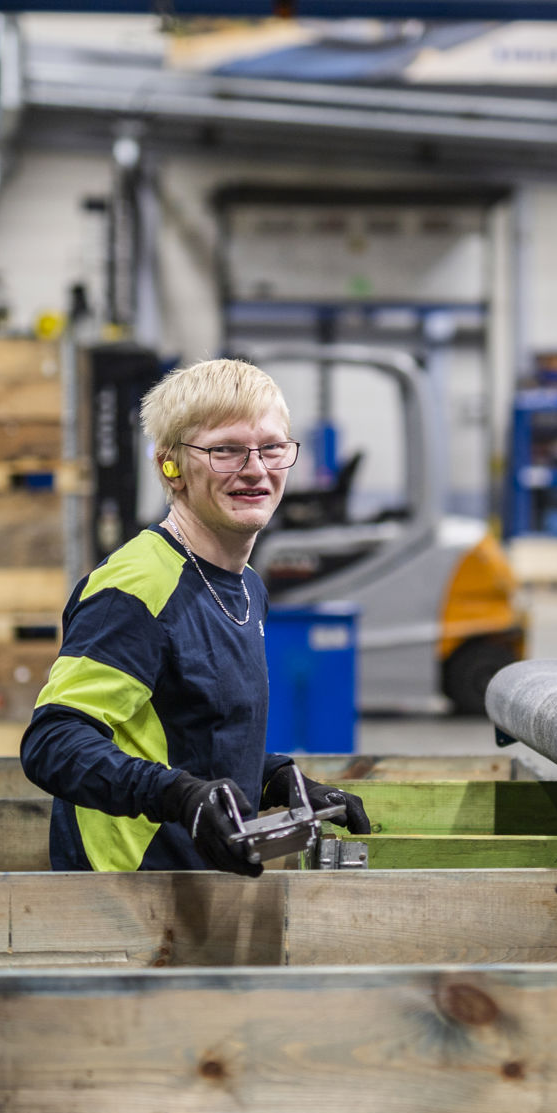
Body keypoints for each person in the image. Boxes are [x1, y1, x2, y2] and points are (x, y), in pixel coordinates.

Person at [21, 358, 371, 874]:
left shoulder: (246, 586)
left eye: (272, 447)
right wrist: (178, 797)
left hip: (199, 890)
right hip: (129, 896)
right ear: (172, 467)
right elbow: (53, 742)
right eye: (225, 450)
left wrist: (274, 779)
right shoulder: (136, 589)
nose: (255, 469)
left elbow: (191, 733)